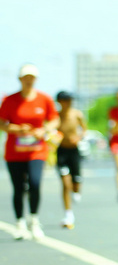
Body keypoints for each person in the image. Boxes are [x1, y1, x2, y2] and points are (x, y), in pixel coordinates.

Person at [0, 64, 59, 240]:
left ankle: (34, 220)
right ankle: (20, 223)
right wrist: (17, 129)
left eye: (32, 77)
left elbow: (54, 120)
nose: (28, 80)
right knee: (18, 188)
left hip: (36, 151)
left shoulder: (44, 98)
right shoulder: (9, 100)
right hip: (15, 152)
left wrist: (44, 129)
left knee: (34, 183)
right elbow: (2, 123)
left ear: (36, 79)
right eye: (25, 77)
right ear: (20, 79)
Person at [56, 91, 86, 228]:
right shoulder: (56, 116)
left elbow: (84, 130)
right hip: (61, 151)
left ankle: (76, 190)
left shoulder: (77, 114)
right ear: (60, 102)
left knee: (76, 181)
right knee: (65, 182)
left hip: (74, 151)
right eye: (65, 100)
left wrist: (78, 138)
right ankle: (68, 213)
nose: (68, 103)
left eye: (69, 100)